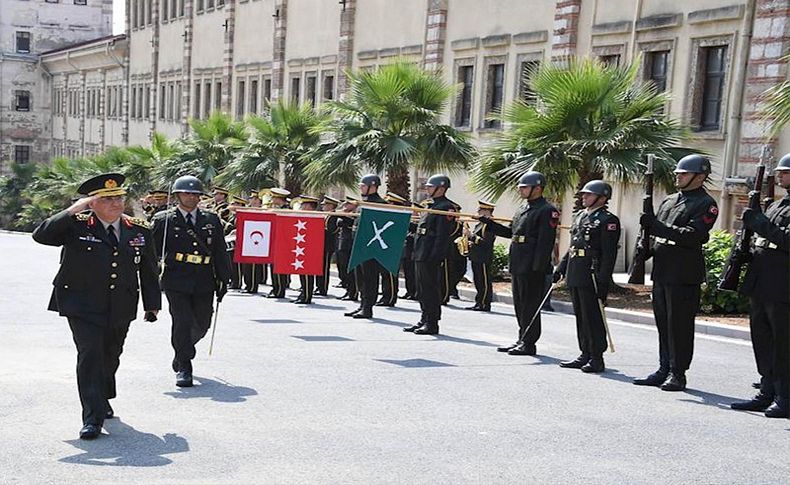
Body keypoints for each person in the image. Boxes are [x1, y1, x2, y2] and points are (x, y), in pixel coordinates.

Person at [32, 173, 161, 440]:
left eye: (119, 198)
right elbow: (41, 235)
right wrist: (75, 208)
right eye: (108, 199)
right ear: (93, 203)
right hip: (81, 303)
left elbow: (149, 270)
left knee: (111, 354)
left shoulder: (139, 229)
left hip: (121, 303)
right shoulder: (76, 225)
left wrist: (152, 304)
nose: (116, 203)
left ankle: (102, 396)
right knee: (90, 354)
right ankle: (92, 417)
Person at [633, 154, 718, 391]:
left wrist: (655, 225)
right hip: (662, 268)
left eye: (684, 173)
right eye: (678, 173)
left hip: (684, 272)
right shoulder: (670, 201)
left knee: (679, 325)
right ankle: (664, 368)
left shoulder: (706, 204)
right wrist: (644, 249)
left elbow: (692, 235)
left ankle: (678, 373)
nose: (678, 177)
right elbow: (654, 232)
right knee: (663, 322)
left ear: (700, 177)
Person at [152, 175, 232, 388]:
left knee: (203, 322)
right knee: (182, 320)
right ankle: (184, 366)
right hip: (176, 277)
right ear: (177, 195)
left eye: (196, 194)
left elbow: (220, 251)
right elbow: (152, 254)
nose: (192, 197)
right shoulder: (164, 220)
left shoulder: (211, 219)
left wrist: (224, 278)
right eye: (187, 193)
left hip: (204, 277)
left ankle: (182, 351)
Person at [730, 154, 790, 417]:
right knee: (762, 339)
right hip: (762, 280)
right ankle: (766, 390)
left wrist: (760, 223)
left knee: (782, 342)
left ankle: (784, 396)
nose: (780, 176)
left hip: (783, 284)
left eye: (785, 172)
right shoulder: (778, 205)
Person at [480, 171, 559, 356]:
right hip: (518, 262)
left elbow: (545, 242)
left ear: (537, 188)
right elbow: (511, 233)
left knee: (530, 305)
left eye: (525, 187)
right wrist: (489, 224)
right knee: (520, 304)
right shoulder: (523, 208)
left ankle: (529, 343)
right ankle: (522, 338)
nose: (520, 190)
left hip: (532, 266)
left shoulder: (547, 210)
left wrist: (538, 267)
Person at [554, 181, 620, 373]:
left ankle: (597, 357)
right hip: (576, 269)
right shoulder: (581, 216)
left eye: (588, 195)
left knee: (592, 316)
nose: (583, 197)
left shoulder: (609, 220)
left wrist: (603, 280)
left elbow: (609, 254)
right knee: (581, 316)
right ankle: (584, 353)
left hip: (592, 272)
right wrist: (561, 267)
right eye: (583, 195)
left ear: (602, 197)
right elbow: (574, 244)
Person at [404, 174, 457, 335]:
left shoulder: (446, 208)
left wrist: (435, 256)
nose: (427, 189)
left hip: (430, 255)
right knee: (421, 289)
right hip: (420, 252)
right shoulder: (430, 205)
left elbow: (442, 235)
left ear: (441, 188)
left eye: (430, 186)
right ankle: (424, 318)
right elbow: (423, 229)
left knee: (430, 289)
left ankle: (432, 322)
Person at [344, 174, 387, 319]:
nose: (360, 188)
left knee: (369, 277)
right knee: (360, 277)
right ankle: (362, 304)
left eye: (363, 185)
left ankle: (368, 307)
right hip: (359, 245)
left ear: (373, 186)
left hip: (370, 246)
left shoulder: (379, 203)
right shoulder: (362, 203)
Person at [377, 192, 409, 307]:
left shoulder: (399, 216)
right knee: (385, 273)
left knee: (390, 274)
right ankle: (386, 295)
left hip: (393, 248)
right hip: (386, 246)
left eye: (389, 203)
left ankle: (390, 298)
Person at [465, 200, 496, 312]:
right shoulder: (480, 224)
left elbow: (486, 243)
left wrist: (471, 236)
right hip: (476, 255)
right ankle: (479, 301)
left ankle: (484, 303)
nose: (478, 211)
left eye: (480, 210)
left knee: (484, 280)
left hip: (483, 256)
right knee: (478, 280)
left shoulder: (489, 225)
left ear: (487, 211)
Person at [293, 195, 321, 304]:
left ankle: (307, 295)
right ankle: (304, 293)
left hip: (310, 248)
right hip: (303, 247)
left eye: (304, 205)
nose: (302, 207)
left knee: (308, 271)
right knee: (302, 271)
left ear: (310, 206)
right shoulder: (304, 216)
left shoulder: (315, 217)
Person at [266, 188, 292, 299]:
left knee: (280, 267)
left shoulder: (287, 210)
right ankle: (275, 288)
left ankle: (280, 290)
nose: (271, 199)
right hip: (276, 240)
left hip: (284, 242)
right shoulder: (277, 209)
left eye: (273, 197)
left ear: (278, 198)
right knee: (274, 266)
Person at [442, 202, 467, 304]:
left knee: (459, 272)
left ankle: (451, 289)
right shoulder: (450, 223)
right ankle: (448, 293)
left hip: (458, 253)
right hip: (449, 252)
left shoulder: (461, 224)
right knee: (448, 274)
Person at [316, 196, 341, 296]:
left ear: (331, 205)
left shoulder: (334, 216)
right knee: (319, 267)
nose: (323, 206)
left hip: (328, 245)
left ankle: (323, 288)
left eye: (325, 204)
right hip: (321, 244)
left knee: (324, 268)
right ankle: (318, 286)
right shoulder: (326, 215)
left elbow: (332, 230)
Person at [335, 197, 359, 301]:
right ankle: (349, 290)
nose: (345, 205)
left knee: (352, 271)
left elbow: (349, 222)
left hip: (351, 244)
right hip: (343, 244)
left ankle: (353, 292)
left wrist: (343, 214)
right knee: (344, 269)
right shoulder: (346, 214)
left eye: (348, 203)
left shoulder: (356, 215)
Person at [241, 191, 265, 293]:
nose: (252, 201)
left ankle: (253, 286)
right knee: (247, 265)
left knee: (254, 264)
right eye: (252, 199)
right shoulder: (248, 210)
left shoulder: (263, 211)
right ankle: (248, 284)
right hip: (248, 239)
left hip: (259, 240)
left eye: (255, 199)